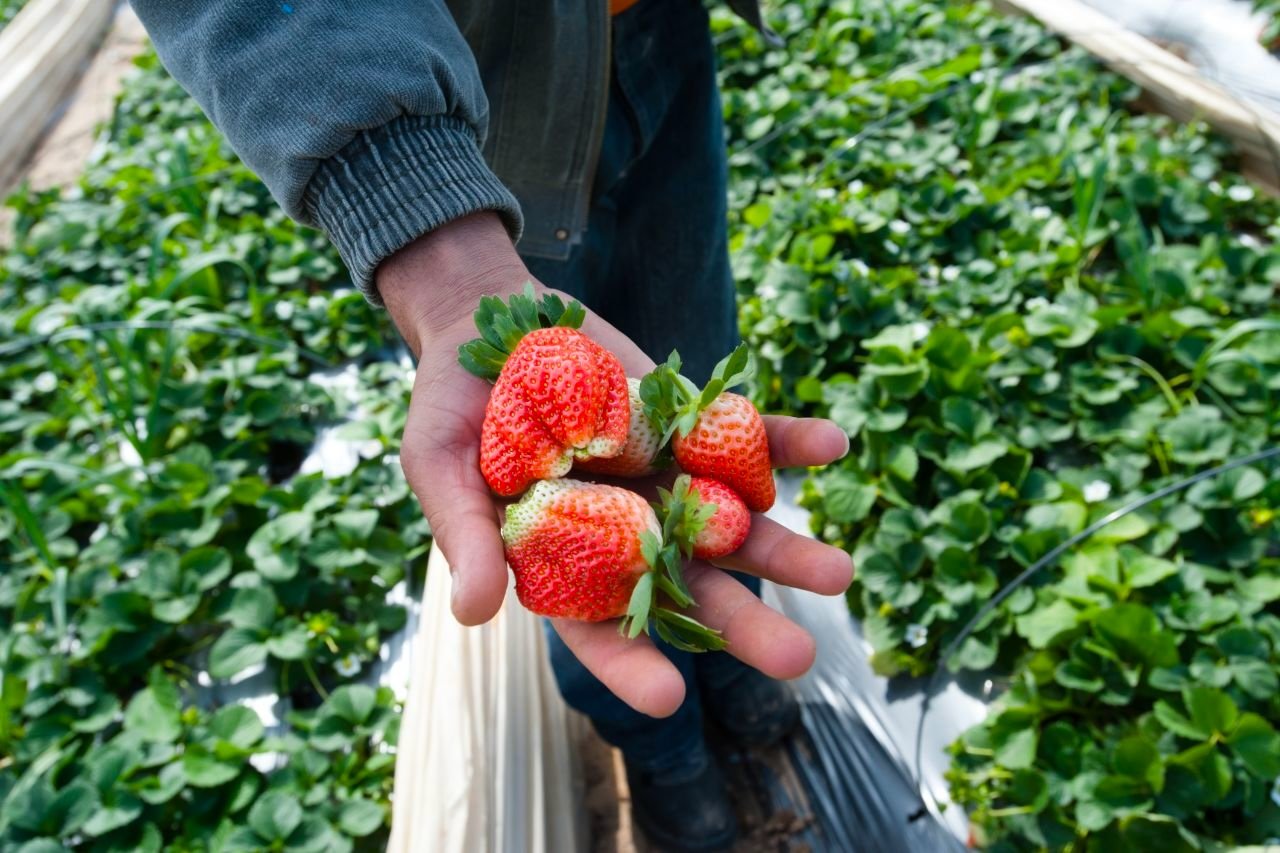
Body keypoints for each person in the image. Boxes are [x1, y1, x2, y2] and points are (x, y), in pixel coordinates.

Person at [131, 1, 854, 849]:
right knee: (609, 560)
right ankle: (664, 752)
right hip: (466, 78)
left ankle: (727, 669)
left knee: (686, 373)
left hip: (659, 29)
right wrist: (427, 233)